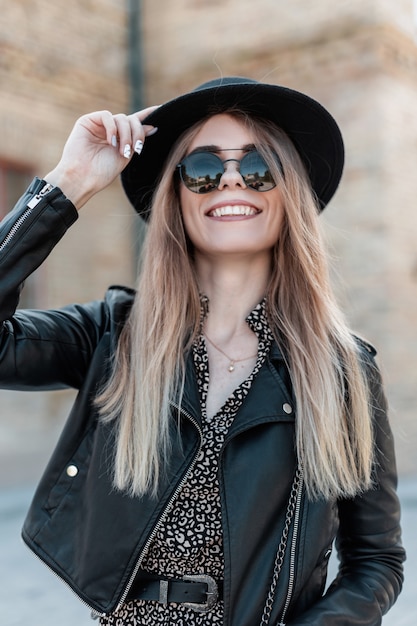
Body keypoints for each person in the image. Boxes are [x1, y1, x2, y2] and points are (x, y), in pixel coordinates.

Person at [0, 77, 405, 625]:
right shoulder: (114, 336)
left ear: (288, 194)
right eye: (203, 170)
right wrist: (68, 183)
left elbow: (376, 560)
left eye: (259, 166)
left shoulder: (342, 369)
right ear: (177, 199)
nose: (232, 180)